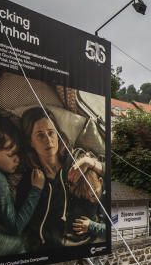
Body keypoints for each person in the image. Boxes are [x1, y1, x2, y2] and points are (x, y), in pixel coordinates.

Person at [18, 107, 107, 250]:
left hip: (91, 243)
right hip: (51, 251)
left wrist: (92, 163)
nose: (48, 140)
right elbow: (23, 224)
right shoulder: (30, 180)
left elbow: (118, 174)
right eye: (40, 135)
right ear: (30, 141)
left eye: (51, 133)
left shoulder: (78, 159)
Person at [0, 114, 43, 258]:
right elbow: (16, 227)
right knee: (24, 243)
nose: (18, 159)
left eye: (18, 153)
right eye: (11, 154)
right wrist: (36, 190)